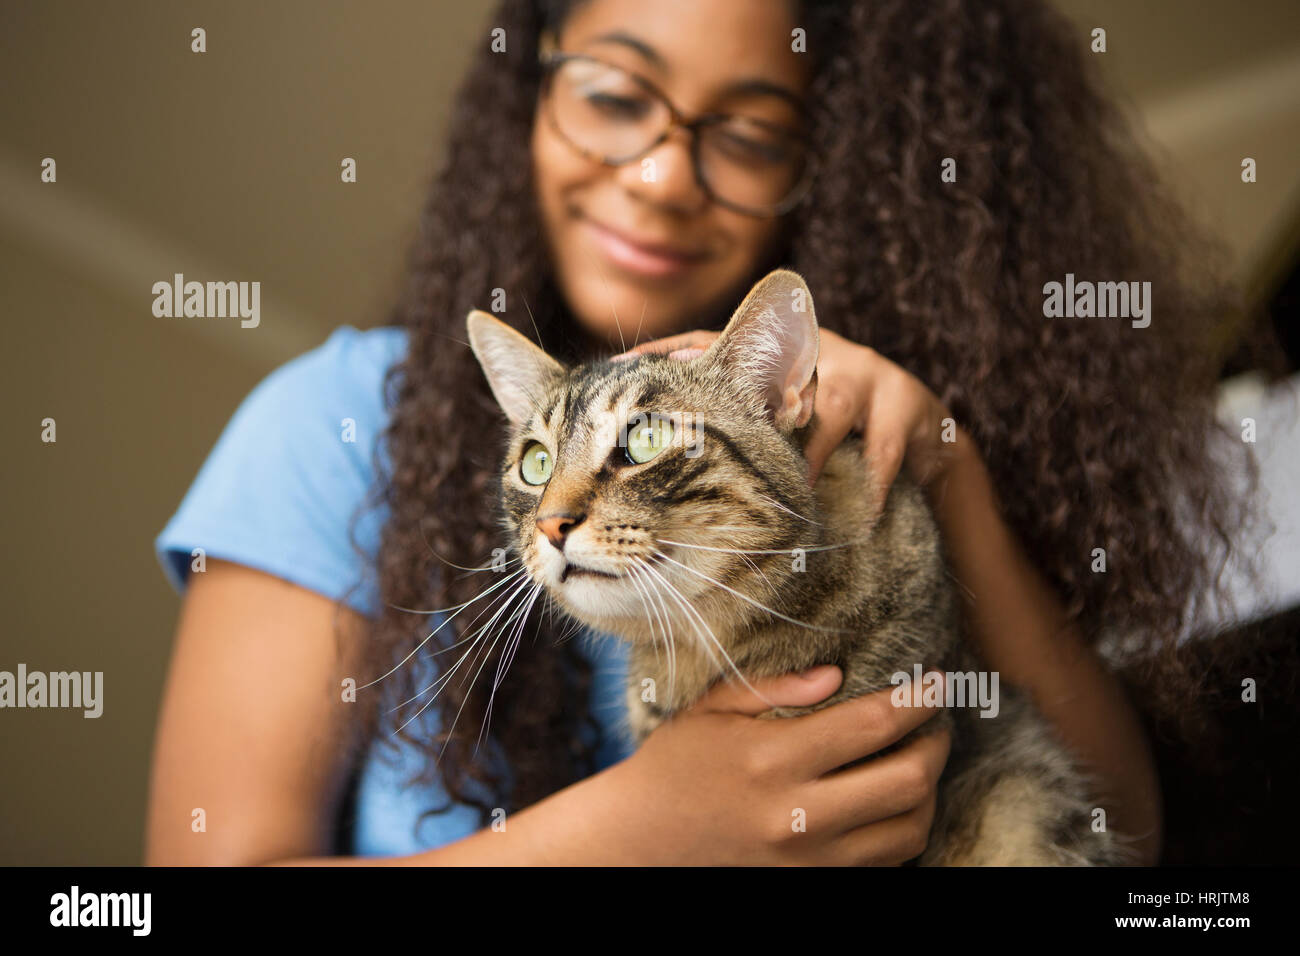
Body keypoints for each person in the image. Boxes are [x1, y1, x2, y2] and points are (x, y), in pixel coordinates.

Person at [146, 0, 1248, 865]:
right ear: (532, 82)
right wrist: (629, 836)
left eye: (750, 132)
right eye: (619, 96)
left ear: (829, 168)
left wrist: (945, 465)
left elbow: (1126, 840)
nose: (665, 176)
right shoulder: (324, 422)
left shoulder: (844, 458)